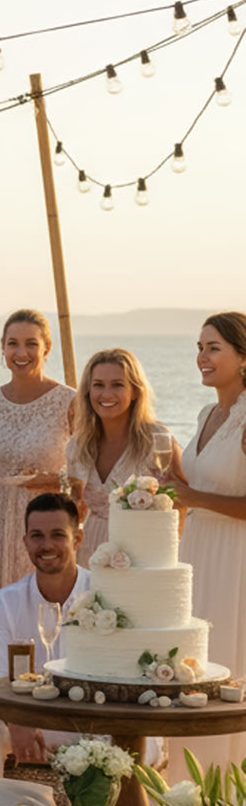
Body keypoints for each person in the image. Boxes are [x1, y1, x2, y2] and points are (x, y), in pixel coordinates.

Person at [0, 495, 92, 776]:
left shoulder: (104, 596)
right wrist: (16, 719)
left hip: (92, 719)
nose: (46, 546)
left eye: (58, 535)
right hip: (29, 717)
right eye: (37, 536)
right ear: (25, 542)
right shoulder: (6, 602)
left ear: (77, 539)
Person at [166, 312, 246, 771]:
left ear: (243, 356)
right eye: (199, 347)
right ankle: (187, 792)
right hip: (198, 551)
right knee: (194, 667)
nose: (202, 357)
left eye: (213, 348)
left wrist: (196, 495)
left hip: (235, 558)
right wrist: (174, 486)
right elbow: (200, 487)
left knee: (230, 663)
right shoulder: (207, 413)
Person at [0, 309, 76, 589]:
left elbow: (84, 475)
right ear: (2, 347)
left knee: (45, 602)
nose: (21, 352)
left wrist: (48, 481)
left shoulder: (69, 402)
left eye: (31, 344)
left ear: (47, 348)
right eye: (13, 343)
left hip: (46, 520)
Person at [64, 349, 179, 564]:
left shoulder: (157, 438)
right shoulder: (78, 444)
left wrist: (168, 554)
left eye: (117, 385)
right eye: (98, 385)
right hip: (91, 552)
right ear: (88, 391)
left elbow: (182, 500)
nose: (106, 394)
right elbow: (76, 504)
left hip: (142, 551)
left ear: (135, 391)